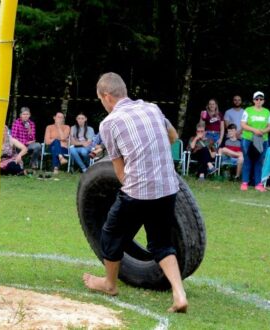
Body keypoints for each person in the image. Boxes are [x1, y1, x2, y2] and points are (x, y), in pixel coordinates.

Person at [83, 72, 187, 313]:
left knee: (110, 232)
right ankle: (179, 294)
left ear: (107, 97)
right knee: (160, 243)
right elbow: (173, 136)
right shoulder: (152, 108)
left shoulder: (109, 123)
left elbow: (120, 173)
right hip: (168, 186)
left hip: (139, 190)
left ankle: (109, 284)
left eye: (100, 99)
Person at [240, 91, 270, 192]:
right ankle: (245, 182)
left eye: (261, 99)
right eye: (257, 99)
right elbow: (243, 124)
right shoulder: (248, 110)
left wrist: (262, 131)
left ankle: (258, 183)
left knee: (259, 161)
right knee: (247, 160)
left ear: (264, 101)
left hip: (262, 139)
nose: (259, 101)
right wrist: (254, 130)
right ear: (253, 100)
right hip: (248, 138)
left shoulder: (267, 112)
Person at [10, 107, 42, 173]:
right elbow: (14, 137)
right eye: (24, 114)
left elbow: (32, 138)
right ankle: (19, 165)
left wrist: (29, 130)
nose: (25, 116)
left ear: (29, 115)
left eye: (27, 114)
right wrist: (25, 142)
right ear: (20, 115)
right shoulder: (16, 123)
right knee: (19, 146)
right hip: (19, 146)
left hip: (28, 145)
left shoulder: (31, 124)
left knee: (38, 145)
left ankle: (32, 162)